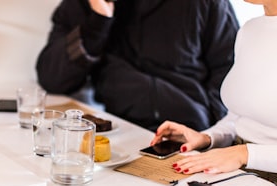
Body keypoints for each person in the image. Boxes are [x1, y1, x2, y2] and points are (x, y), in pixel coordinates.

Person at [151, 0, 277, 186]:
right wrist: (208, 137)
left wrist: (244, 153)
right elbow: (241, 115)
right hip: (239, 174)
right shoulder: (250, 30)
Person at [36, 0, 239, 132]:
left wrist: (210, 132)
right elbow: (51, 78)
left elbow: (232, 69)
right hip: (119, 131)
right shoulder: (83, 6)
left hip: (191, 133)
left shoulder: (206, 4)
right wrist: (98, 24)